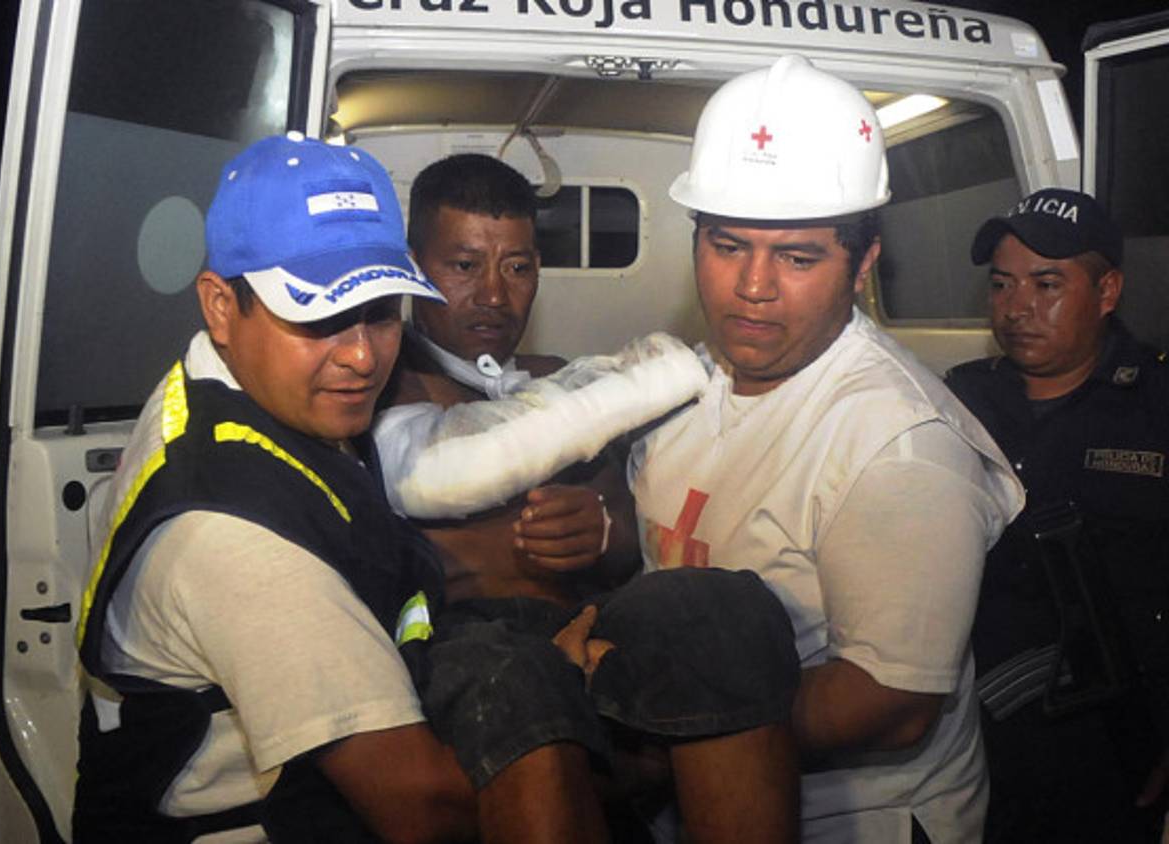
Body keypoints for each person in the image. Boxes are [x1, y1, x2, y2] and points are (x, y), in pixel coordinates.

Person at [72, 133, 802, 844]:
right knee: (518, 690)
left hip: (360, 743)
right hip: (277, 820)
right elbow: (422, 809)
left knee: (715, 611)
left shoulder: (253, 398)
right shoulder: (233, 532)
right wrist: (665, 753)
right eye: (318, 316)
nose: (361, 356)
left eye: (380, 311)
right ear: (221, 306)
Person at [628, 55, 1026, 842]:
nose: (753, 286)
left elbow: (892, 703)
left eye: (797, 257)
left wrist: (656, 738)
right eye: (727, 246)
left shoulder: (898, 446)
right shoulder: (691, 382)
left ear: (863, 264)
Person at [946, 187, 1169, 842]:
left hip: (1113, 744)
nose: (1017, 307)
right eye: (1001, 284)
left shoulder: (1156, 406)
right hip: (972, 741)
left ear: (1107, 292)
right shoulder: (959, 400)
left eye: (1046, 285)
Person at [375, 153, 637, 607]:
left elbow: (630, 539)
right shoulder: (378, 391)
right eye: (465, 266)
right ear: (412, 268)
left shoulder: (557, 378)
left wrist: (602, 530)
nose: (494, 295)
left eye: (517, 268)